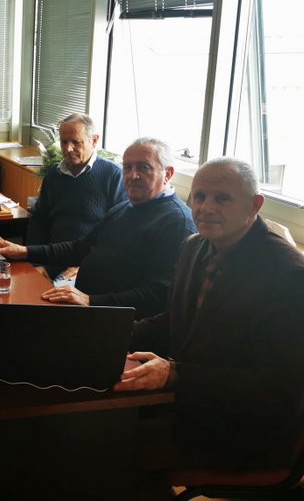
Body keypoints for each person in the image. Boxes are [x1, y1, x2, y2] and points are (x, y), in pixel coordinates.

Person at [114, 157, 304, 475]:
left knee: (104, 455)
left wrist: (175, 374)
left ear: (255, 205)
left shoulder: (288, 275)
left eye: (222, 198)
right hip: (184, 406)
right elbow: (174, 320)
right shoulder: (193, 246)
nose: (206, 208)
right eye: (200, 196)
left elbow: (277, 390)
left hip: (240, 435)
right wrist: (112, 332)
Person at [0, 137, 196, 319]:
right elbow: (80, 248)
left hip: (115, 321)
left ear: (168, 173)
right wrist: (24, 251)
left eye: (143, 167)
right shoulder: (124, 208)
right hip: (85, 306)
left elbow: (158, 294)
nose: (132, 175)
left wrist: (91, 300)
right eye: (127, 167)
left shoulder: (177, 222)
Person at [27, 113, 126, 279]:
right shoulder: (54, 174)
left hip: (88, 267)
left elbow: (118, 234)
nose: (68, 149)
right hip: (51, 261)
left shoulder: (114, 176)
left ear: (94, 140)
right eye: (64, 142)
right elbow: (39, 221)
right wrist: (36, 263)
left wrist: (89, 266)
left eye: (76, 142)